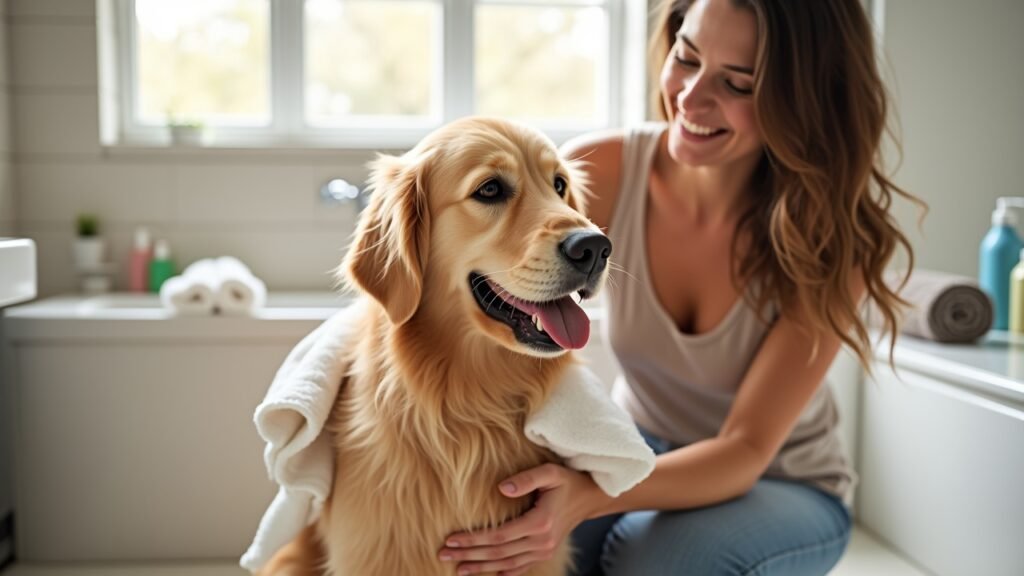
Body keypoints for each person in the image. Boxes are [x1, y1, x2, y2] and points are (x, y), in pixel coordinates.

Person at [438, 0, 921, 574]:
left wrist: (592, 495)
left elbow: (745, 449)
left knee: (653, 562)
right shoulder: (604, 168)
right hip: (632, 445)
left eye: (737, 85)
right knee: (502, 543)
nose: (690, 98)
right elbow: (484, 286)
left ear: (804, 100)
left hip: (780, 481)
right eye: (686, 57)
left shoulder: (836, 242)